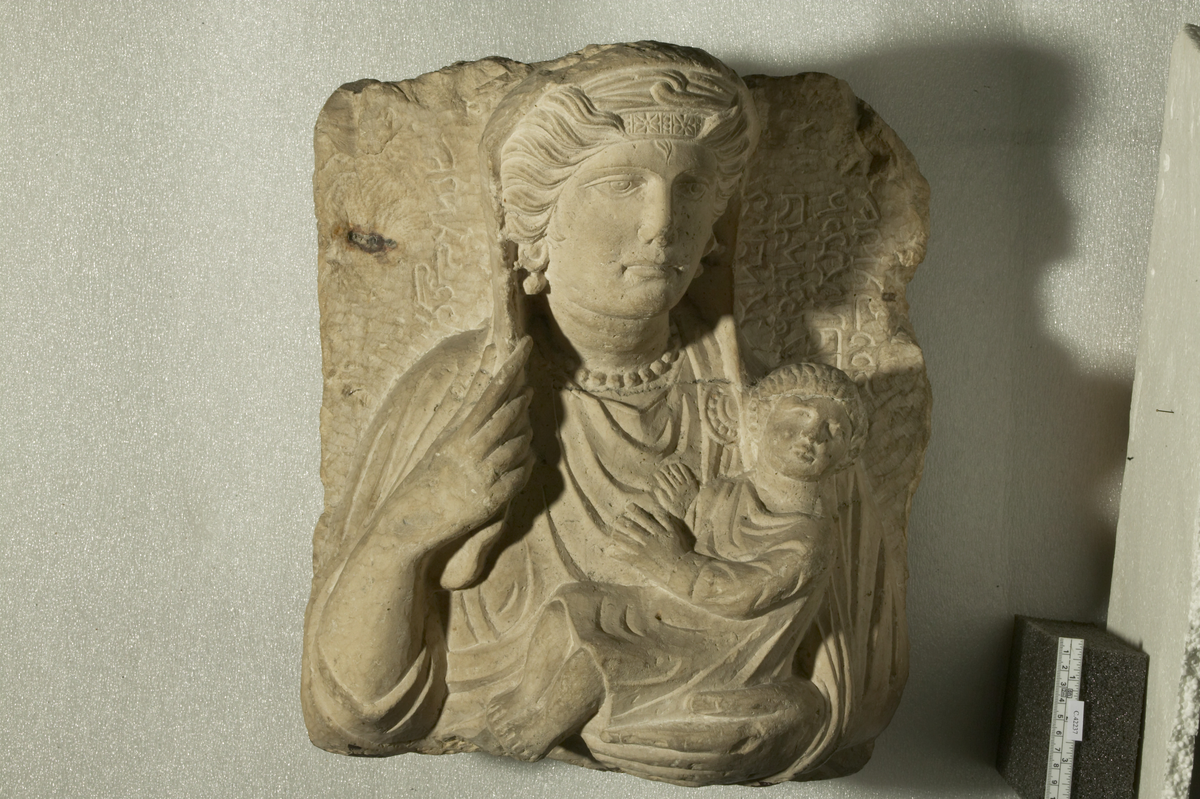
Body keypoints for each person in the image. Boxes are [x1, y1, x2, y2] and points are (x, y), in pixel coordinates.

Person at [302, 43, 891, 785]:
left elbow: (851, 694)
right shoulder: (456, 395)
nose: (661, 223)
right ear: (538, 218)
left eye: (691, 189)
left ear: (716, 224)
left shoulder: (782, 420)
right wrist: (421, 517)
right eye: (621, 183)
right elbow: (352, 707)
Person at [483, 363, 867, 764]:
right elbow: (709, 521)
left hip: (721, 646)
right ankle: (523, 698)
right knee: (571, 604)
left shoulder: (807, 539)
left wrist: (670, 563)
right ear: (761, 420)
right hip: (676, 609)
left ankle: (541, 727)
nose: (813, 435)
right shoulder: (734, 491)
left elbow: (739, 595)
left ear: (846, 455)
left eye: (835, 430)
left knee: (603, 658)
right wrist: (689, 505)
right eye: (799, 416)